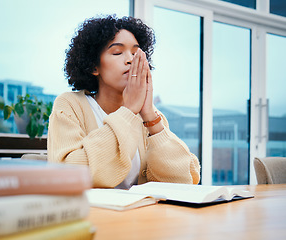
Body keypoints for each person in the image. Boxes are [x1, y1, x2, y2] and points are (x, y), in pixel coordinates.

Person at [47, 15, 200, 189]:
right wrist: (128, 112)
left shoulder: (151, 116)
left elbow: (184, 180)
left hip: (144, 216)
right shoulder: (69, 105)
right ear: (93, 66)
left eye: (136, 53)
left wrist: (150, 117)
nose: (130, 59)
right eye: (118, 52)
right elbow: (68, 174)